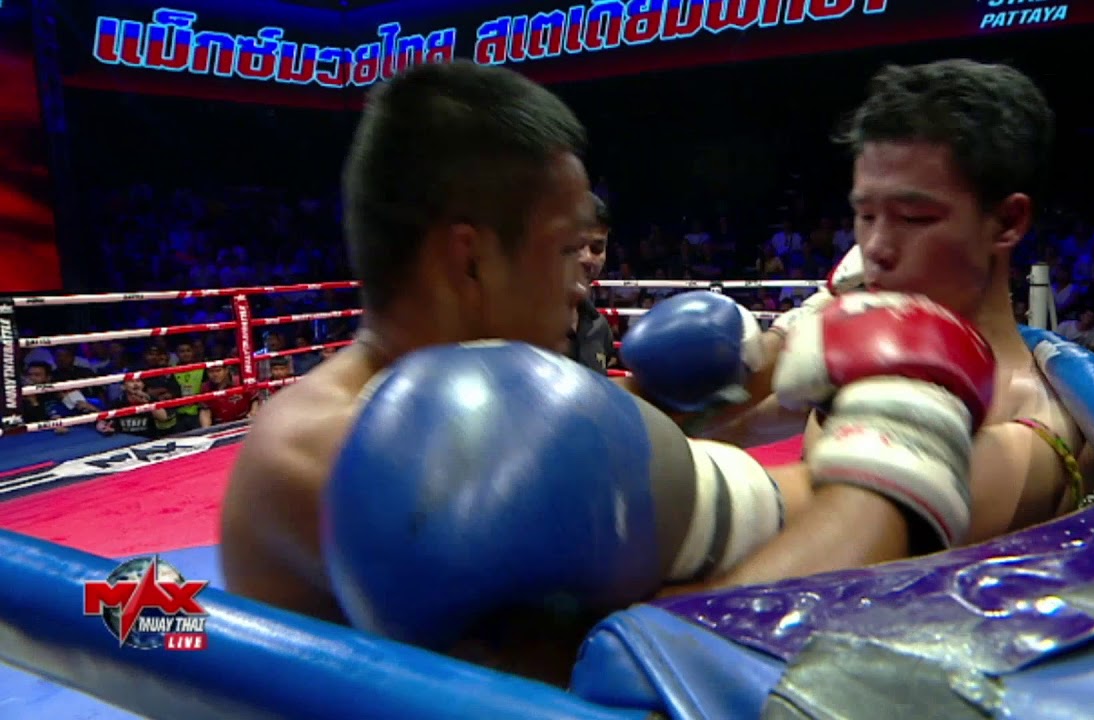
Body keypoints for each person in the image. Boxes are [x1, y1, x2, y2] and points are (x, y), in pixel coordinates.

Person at [221, 62, 805, 668]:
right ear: (470, 261)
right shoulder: (347, 456)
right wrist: (862, 465)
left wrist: (793, 356)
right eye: (565, 249)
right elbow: (636, 650)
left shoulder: (459, 414)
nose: (580, 285)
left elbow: (604, 445)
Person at [667, 59, 1094, 589]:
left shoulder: (1036, 425)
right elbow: (715, 426)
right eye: (866, 215)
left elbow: (813, 554)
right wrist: (780, 340)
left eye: (914, 218)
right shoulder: (863, 356)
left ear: (1007, 222)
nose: (875, 248)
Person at [565, 193, 614, 375]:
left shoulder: (599, 327)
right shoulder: (516, 325)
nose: (587, 258)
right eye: (577, 244)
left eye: (597, 248)